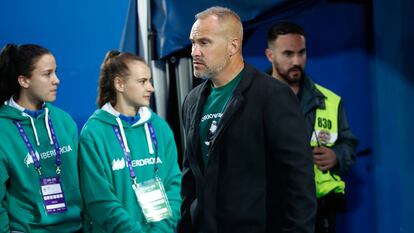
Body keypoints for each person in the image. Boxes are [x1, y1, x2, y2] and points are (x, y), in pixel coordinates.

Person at [178, 6, 317, 233]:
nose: (194, 52)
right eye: (193, 43)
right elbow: (190, 177)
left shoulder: (273, 96)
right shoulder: (192, 100)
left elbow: (298, 183)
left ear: (233, 46)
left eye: (204, 43)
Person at [265, 21, 359, 233]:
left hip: (319, 211)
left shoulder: (329, 100)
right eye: (288, 54)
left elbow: (349, 144)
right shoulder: (253, 99)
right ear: (270, 55)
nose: (297, 61)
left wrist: (337, 156)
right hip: (270, 209)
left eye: (302, 53)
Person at [78, 50, 182, 233]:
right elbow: (99, 200)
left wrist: (161, 230)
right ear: (119, 84)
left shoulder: (160, 128)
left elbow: (174, 186)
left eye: (149, 81)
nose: (151, 88)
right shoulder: (94, 133)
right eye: (142, 82)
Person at [0, 44, 83, 232]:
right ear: (24, 81)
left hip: (76, 228)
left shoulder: (63, 120)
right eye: (48, 74)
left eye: (56, 72)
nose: (57, 80)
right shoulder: (3, 130)